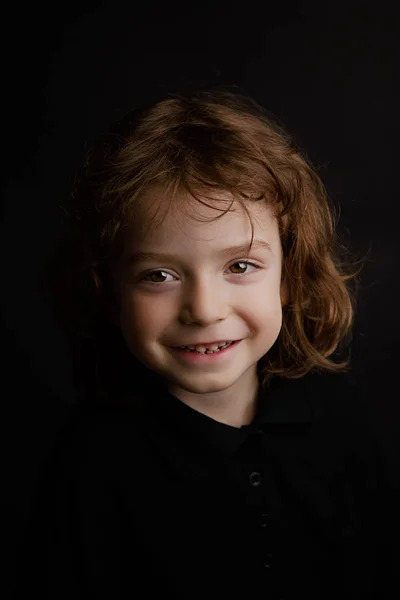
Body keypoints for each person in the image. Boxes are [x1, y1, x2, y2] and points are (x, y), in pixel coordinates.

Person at [13, 87, 398, 599]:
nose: (205, 309)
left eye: (240, 266)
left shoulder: (341, 418)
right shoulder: (92, 465)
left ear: (288, 277)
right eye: (159, 275)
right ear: (110, 290)